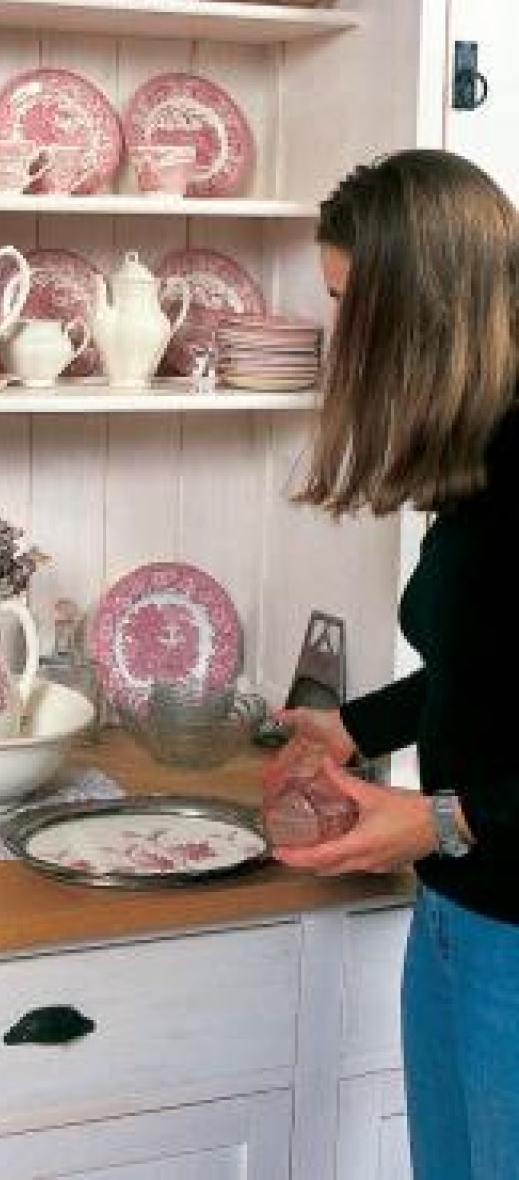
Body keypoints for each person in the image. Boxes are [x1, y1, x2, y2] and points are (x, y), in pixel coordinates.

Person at [267, 149, 519, 1180]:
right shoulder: (481, 451)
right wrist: (354, 727)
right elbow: (489, 666)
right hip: (459, 912)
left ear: (418, 308)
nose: (336, 339)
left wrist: (441, 820)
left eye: (344, 304)